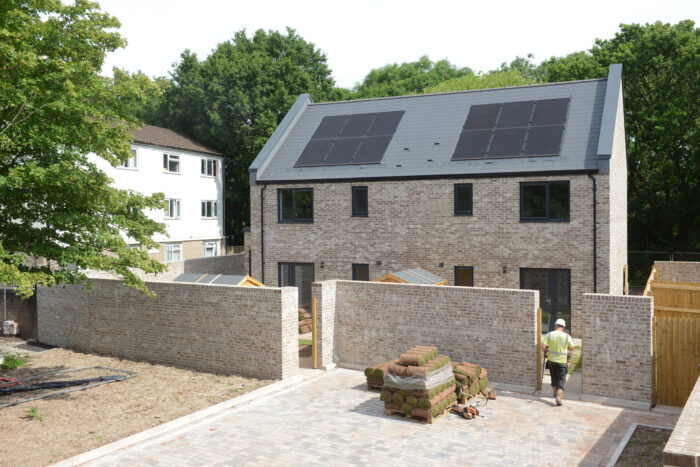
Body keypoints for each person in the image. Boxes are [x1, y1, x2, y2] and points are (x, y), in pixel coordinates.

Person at [541, 318, 575, 406]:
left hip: (551, 361)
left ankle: (555, 392)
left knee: (553, 377)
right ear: (563, 327)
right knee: (561, 379)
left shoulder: (549, 335)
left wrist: (546, 351)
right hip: (562, 362)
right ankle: (559, 396)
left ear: (555, 325)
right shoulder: (567, 336)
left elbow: (543, 346)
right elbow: (572, 348)